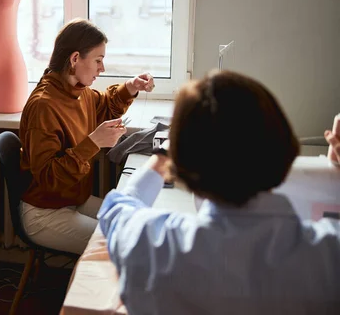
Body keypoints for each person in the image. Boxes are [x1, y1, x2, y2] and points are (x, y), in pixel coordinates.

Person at [98, 70, 340, 314]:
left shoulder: (152, 245)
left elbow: (117, 209)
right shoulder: (329, 256)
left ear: (183, 163)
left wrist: (162, 159)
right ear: (285, 148)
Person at [19, 19, 155, 254]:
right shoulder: (44, 106)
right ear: (74, 59)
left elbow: (105, 104)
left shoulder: (78, 92)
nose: (102, 68)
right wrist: (93, 143)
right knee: (125, 244)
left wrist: (132, 85)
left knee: (136, 224)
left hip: (74, 200)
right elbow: (49, 178)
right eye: (98, 60)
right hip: (44, 213)